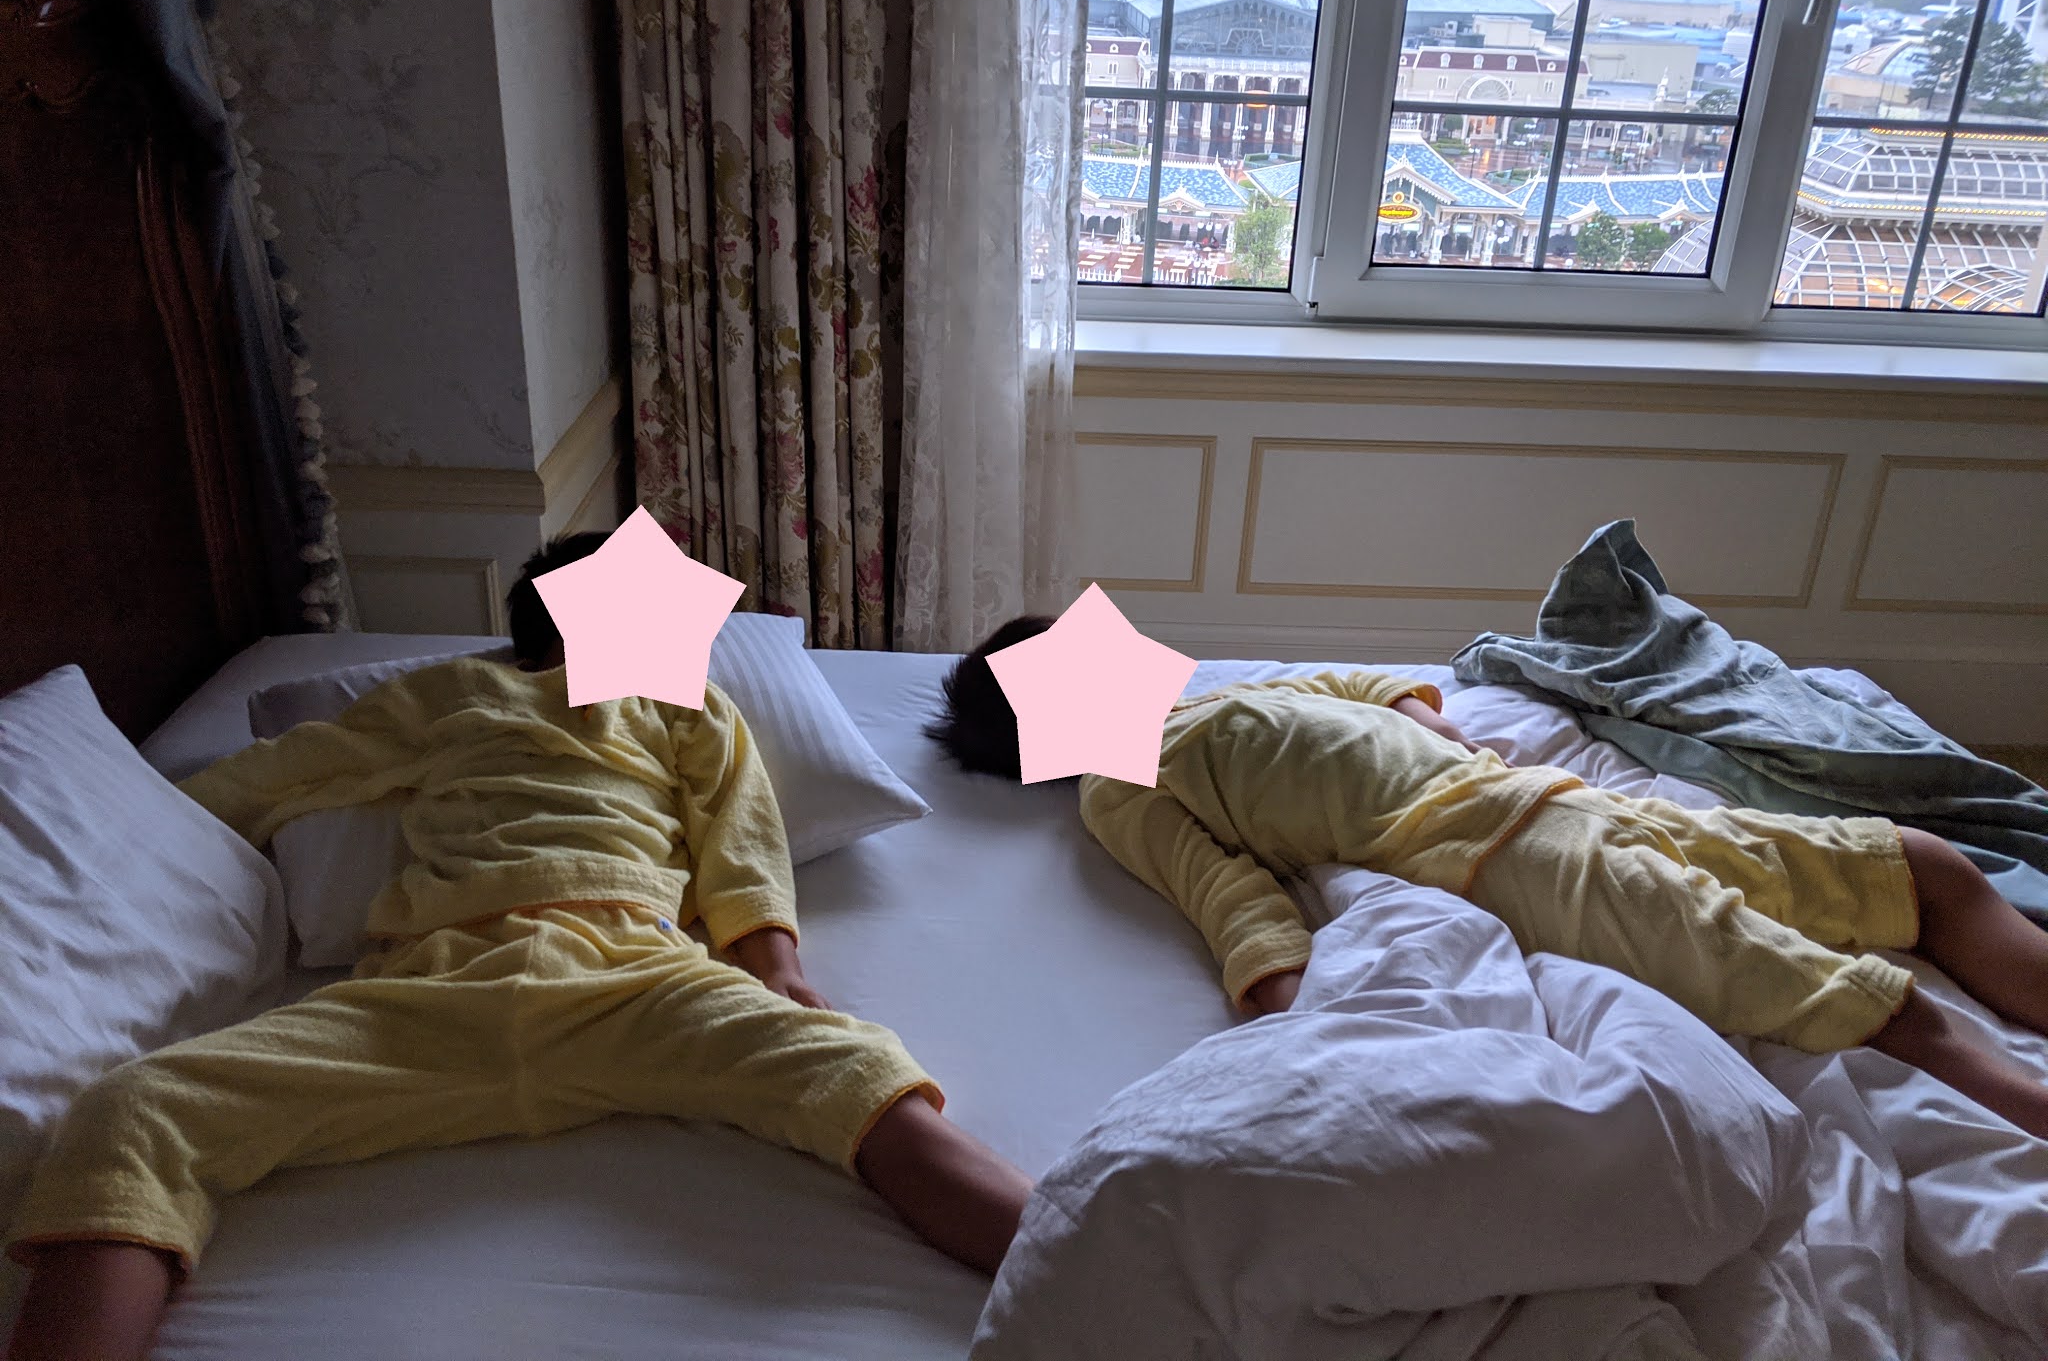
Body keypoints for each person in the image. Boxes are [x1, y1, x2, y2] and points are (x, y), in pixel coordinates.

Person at [6, 535, 1031, 1361]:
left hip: (635, 975)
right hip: (435, 987)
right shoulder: (452, 694)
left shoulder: (686, 708)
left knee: (859, 1073)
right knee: (134, 1111)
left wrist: (776, 972)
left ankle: (1071, 1258)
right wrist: (134, 819)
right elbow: (293, 770)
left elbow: (742, 837)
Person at [928, 616, 2048, 1140]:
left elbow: (1358, 683)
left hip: (1566, 804)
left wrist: (1434, 721)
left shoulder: (1225, 695)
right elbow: (1223, 895)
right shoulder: (1120, 787)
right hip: (1502, 860)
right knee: (1823, 983)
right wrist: (1283, 1000)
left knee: (1921, 867)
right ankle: (2009, 1091)